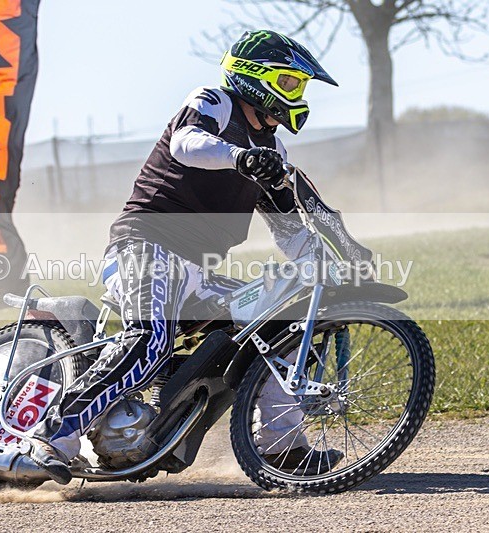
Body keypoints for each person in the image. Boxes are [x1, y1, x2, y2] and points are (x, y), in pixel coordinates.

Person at [28, 30, 342, 484]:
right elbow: (186, 143)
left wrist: (323, 261)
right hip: (144, 246)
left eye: (301, 87)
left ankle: (282, 445)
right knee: (150, 341)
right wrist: (240, 157)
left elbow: (288, 228)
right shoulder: (214, 102)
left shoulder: (272, 151)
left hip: (197, 273)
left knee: (278, 328)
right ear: (255, 78)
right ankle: (54, 435)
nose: (297, 96)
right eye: (290, 83)